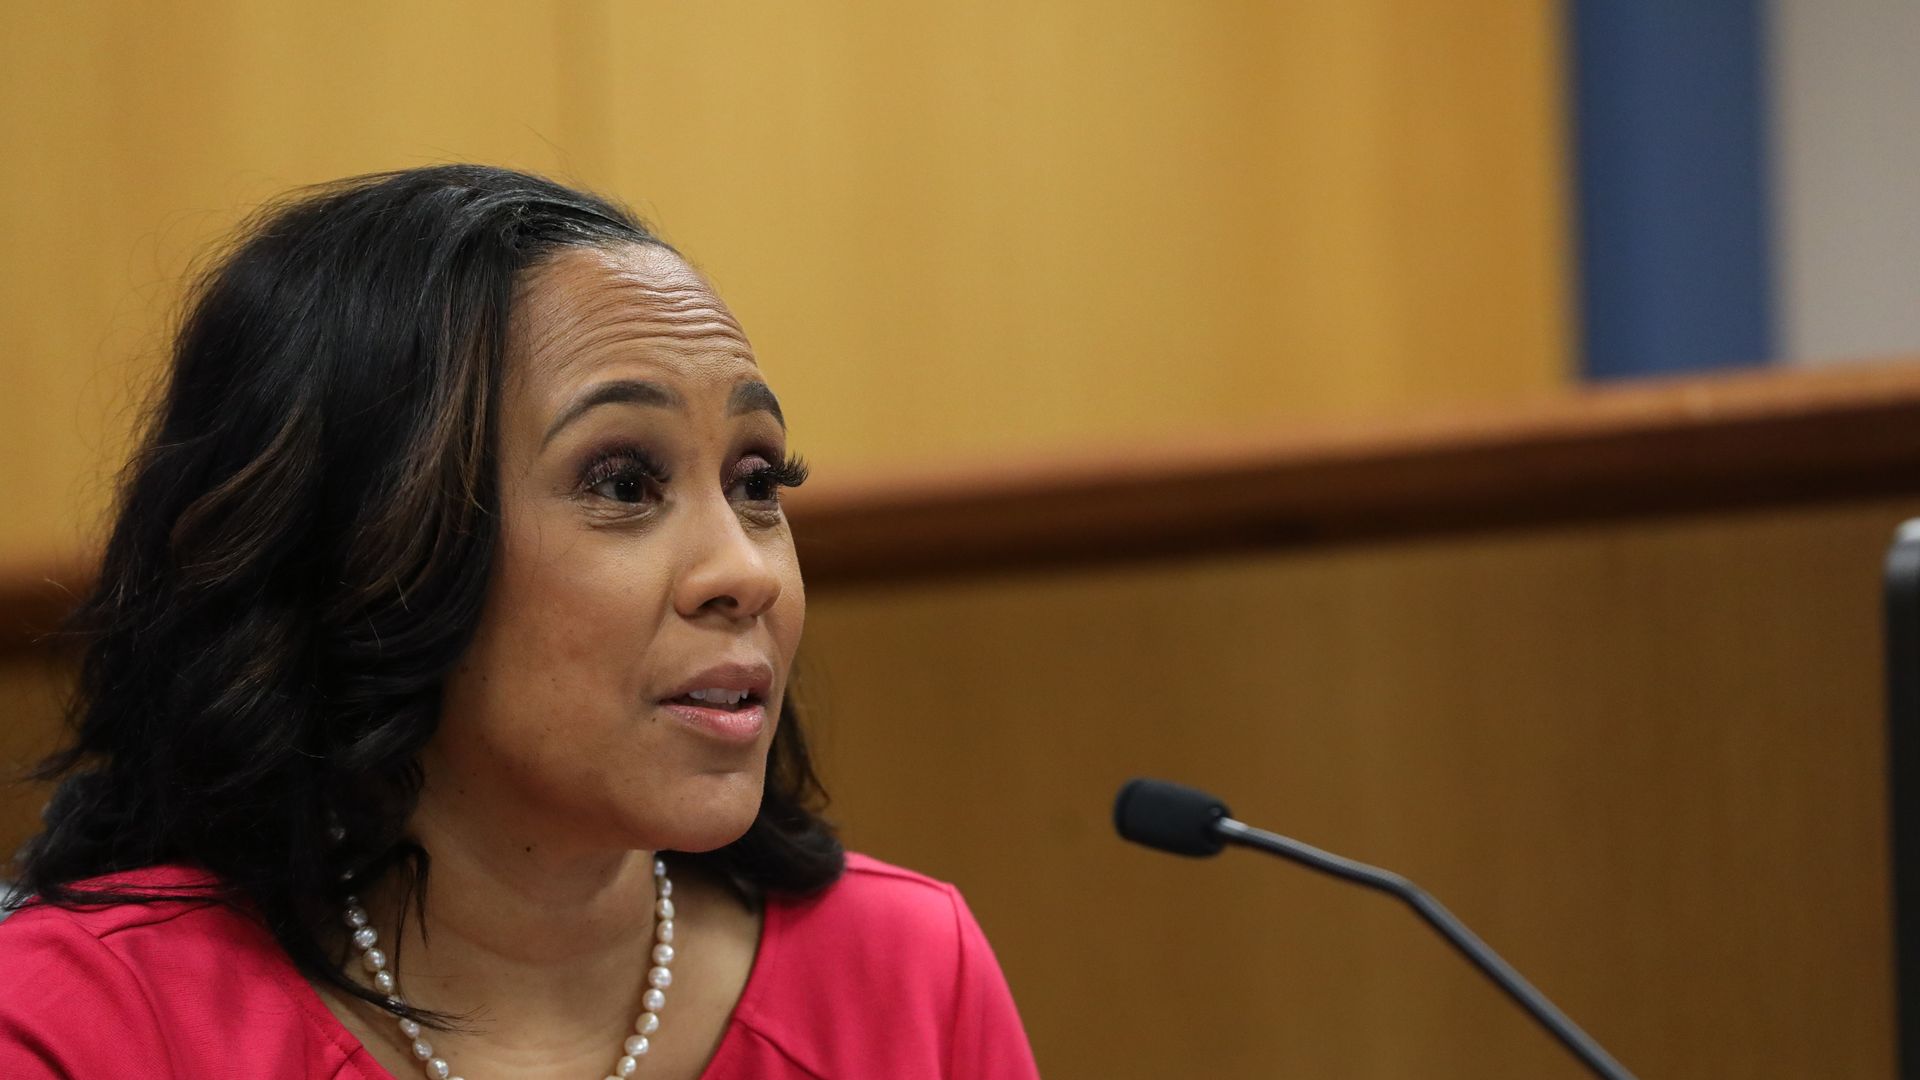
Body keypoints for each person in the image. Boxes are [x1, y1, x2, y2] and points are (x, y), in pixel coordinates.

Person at [0, 165, 1042, 1079]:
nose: (744, 571)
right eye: (623, 483)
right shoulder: (77, 1021)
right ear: (366, 550)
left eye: (757, 482)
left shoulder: (906, 975)